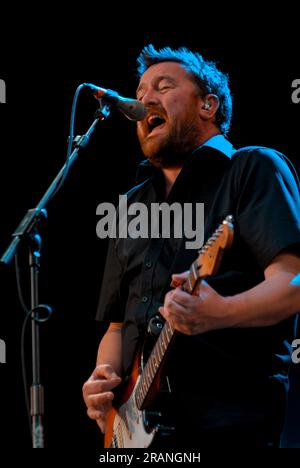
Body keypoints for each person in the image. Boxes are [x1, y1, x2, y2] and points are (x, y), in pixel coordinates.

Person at [82, 44, 300, 448]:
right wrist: (103, 380)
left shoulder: (253, 168)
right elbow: (117, 325)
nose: (144, 99)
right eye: (141, 91)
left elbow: (293, 281)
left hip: (227, 424)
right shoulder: (129, 206)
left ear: (208, 105)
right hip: (134, 435)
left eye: (163, 87)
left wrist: (221, 313)